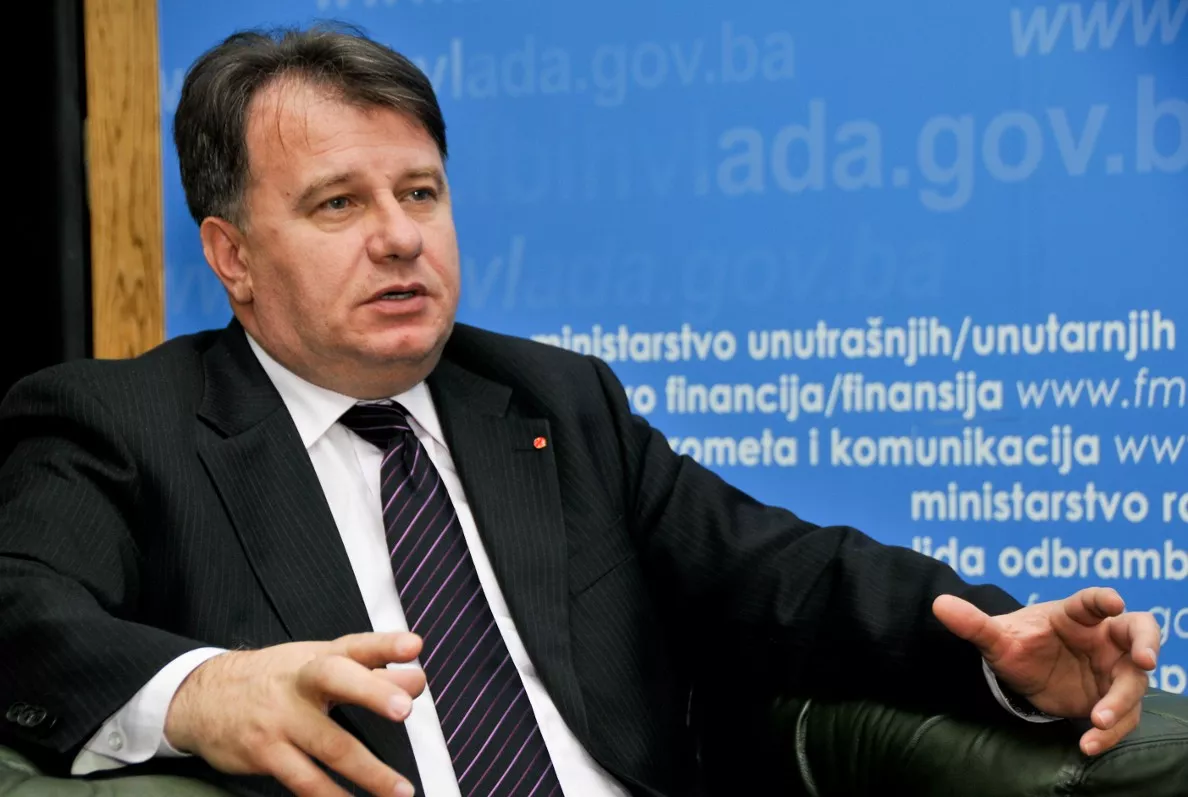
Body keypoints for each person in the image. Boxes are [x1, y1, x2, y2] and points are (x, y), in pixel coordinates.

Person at [0, 23, 1162, 797]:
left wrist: (1005, 647)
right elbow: (22, 606)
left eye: (420, 192)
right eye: (338, 204)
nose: (400, 236)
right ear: (232, 255)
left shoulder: (555, 401)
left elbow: (789, 575)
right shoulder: (122, 424)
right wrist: (202, 687)